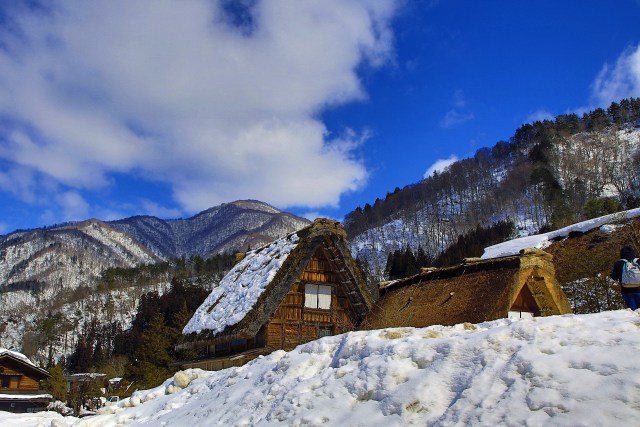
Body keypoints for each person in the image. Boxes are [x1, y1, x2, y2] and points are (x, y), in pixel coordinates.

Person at [610, 245, 640, 310]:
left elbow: (614, 277)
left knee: (633, 310)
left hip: (626, 290)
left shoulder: (619, 263)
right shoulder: (638, 261)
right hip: (639, 288)